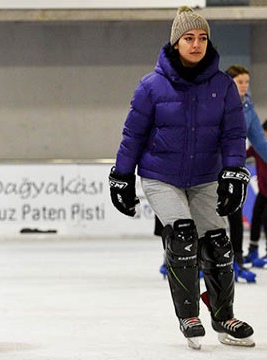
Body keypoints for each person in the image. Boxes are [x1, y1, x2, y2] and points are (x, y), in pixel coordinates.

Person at [108, 7, 255, 349]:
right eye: (189, 38)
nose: (196, 44)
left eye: (202, 38)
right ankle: (188, 314)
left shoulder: (223, 86)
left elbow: (234, 135)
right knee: (183, 235)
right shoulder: (151, 86)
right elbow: (133, 136)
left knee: (219, 241)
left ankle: (223, 315)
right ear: (176, 43)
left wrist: (234, 171)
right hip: (162, 176)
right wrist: (122, 176)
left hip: (205, 176)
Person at [225, 65, 267, 273]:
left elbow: (259, 140)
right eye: (240, 81)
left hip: (235, 166)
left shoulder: (248, 107)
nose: (244, 86)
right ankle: (200, 260)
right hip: (212, 167)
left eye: (246, 82)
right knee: (208, 217)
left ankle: (237, 258)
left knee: (235, 214)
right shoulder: (217, 102)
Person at [246, 120, 267, 267]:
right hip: (263, 191)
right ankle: (253, 249)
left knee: (266, 220)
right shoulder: (258, 147)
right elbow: (243, 155)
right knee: (256, 218)